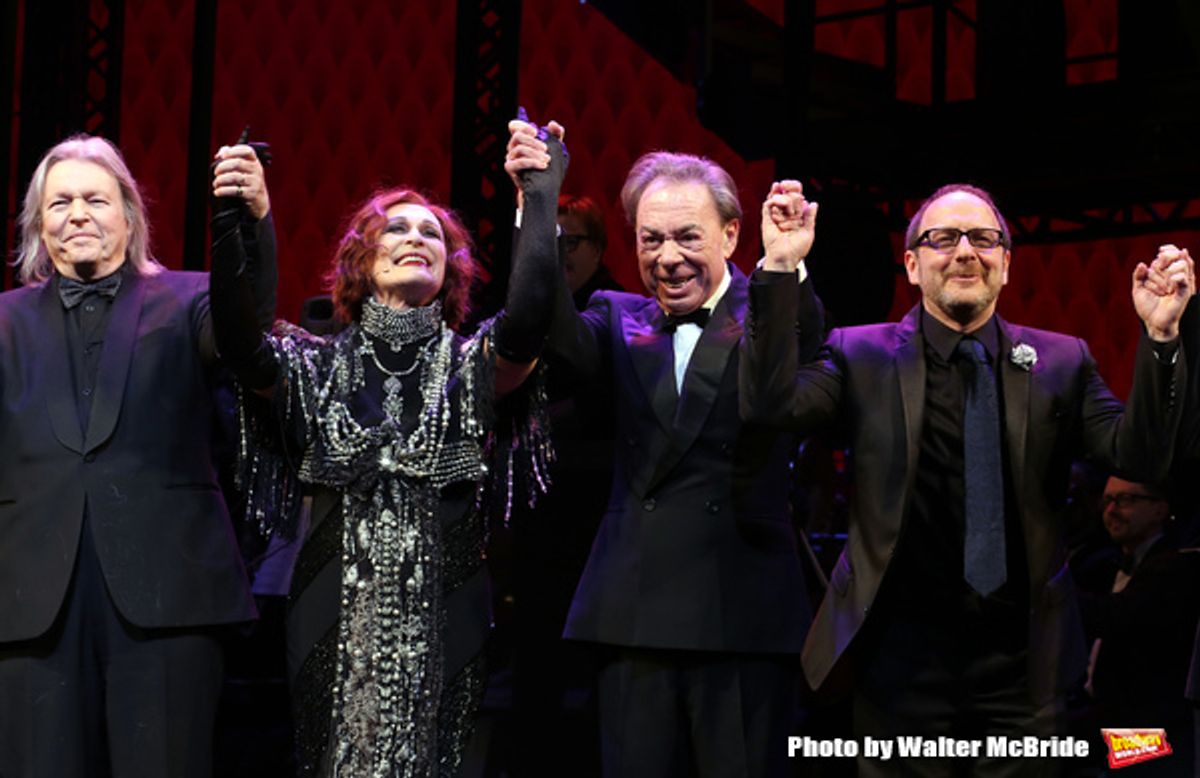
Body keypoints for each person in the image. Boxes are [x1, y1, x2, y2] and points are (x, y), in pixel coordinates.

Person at [739, 182, 1194, 776]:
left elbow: (1144, 458)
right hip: (896, 662)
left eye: (984, 239)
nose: (964, 252)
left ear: (1006, 265)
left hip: (1023, 666)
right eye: (942, 238)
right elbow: (771, 405)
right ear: (911, 263)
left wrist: (1161, 341)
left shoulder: (1062, 360)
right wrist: (778, 267)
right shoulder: (858, 354)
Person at [210, 118, 566, 777]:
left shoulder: (470, 369)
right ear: (362, 261)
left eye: (432, 233)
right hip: (333, 615)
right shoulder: (314, 369)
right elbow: (240, 344)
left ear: (451, 268)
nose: (415, 239)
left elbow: (528, 321)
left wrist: (537, 198)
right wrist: (247, 220)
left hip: (447, 614)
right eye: (396, 229)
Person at [517, 148, 823, 777]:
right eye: (650, 239)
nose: (667, 257)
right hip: (634, 614)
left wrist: (783, 267)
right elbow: (551, 333)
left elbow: (788, 369)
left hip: (742, 612)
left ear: (732, 233)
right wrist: (539, 204)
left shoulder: (774, 310)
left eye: (688, 236)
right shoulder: (617, 316)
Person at [0, 134, 276, 776]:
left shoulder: (190, 300)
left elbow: (248, 332)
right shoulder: (5, 322)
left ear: (129, 213)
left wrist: (253, 222)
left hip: (167, 599)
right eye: (59, 202)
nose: (77, 214)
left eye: (95, 199)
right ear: (39, 223)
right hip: (27, 601)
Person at [1079, 476, 1200, 774]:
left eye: (1126, 500)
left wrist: (1053, 587)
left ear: (1160, 509)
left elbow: (1115, 617)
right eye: (1107, 500)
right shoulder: (1104, 563)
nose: (1111, 510)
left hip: (1152, 726)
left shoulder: (1176, 565)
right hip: (1115, 717)